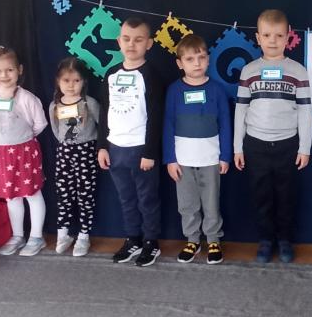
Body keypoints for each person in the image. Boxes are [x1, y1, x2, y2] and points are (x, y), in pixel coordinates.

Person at [233, 9, 312, 264]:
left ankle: (285, 240)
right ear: (258, 38)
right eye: (267, 35)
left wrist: (305, 148)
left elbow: (305, 110)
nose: (273, 41)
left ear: (288, 37)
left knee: (286, 197)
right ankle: (266, 240)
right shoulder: (249, 71)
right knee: (262, 197)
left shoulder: (298, 71)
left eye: (278, 35)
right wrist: (237, 147)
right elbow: (240, 110)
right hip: (255, 145)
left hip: (288, 145)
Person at [97, 17, 165, 267]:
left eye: (138, 40)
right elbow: (105, 111)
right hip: (116, 149)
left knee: (147, 199)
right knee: (126, 198)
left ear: (149, 43)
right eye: (126, 39)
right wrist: (102, 146)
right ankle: (133, 238)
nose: (131, 45)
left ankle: (151, 242)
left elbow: (156, 116)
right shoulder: (111, 74)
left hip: (141, 150)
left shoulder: (151, 75)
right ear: (119, 41)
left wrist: (150, 152)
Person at [164, 34, 232, 264]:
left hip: (211, 158)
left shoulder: (217, 90)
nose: (197, 63)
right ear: (180, 63)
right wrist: (170, 159)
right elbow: (168, 125)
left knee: (211, 202)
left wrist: (225, 156)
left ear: (208, 60)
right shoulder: (174, 90)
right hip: (182, 160)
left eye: (201, 57)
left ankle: (213, 239)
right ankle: (192, 239)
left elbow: (225, 124)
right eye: (190, 59)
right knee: (187, 203)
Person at [0, 46, 48, 256]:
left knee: (32, 194)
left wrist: (22, 139)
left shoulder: (27, 98)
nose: (4, 75)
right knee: (11, 196)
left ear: (19, 70)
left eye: (9, 70)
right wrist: (4, 139)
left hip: (24, 152)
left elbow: (40, 123)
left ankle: (36, 237)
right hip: (0, 154)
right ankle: (18, 235)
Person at [48, 57, 100, 257]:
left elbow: (102, 126)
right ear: (58, 82)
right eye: (66, 81)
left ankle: (84, 236)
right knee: (64, 194)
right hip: (64, 154)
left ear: (83, 82)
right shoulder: (54, 106)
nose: (71, 85)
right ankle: (63, 234)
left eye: (76, 81)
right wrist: (66, 144)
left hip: (86, 153)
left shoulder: (90, 103)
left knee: (85, 195)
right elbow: (56, 130)